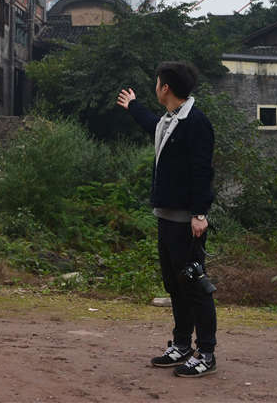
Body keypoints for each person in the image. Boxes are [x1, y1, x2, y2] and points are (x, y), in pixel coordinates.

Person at [116, 61, 217, 378]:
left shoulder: (195, 122)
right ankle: (182, 344)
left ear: (166, 88)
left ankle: (207, 353)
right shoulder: (171, 120)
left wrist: (200, 214)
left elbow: (203, 170)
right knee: (175, 284)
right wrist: (133, 106)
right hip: (166, 217)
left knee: (195, 284)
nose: (155, 86)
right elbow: (152, 125)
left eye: (157, 82)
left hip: (187, 220)